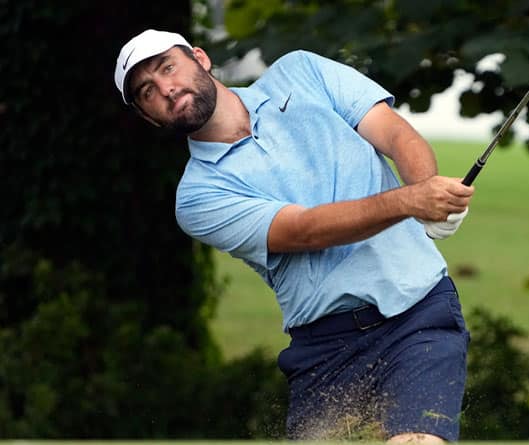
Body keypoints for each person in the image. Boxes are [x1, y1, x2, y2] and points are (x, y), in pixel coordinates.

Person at [114, 29, 474, 444]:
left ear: (200, 58)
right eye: (147, 91)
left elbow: (395, 135)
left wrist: (429, 192)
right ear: (148, 116)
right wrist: (411, 202)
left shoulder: (301, 72)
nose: (167, 88)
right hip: (327, 349)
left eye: (168, 67)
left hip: (419, 314)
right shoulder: (198, 198)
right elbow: (304, 230)